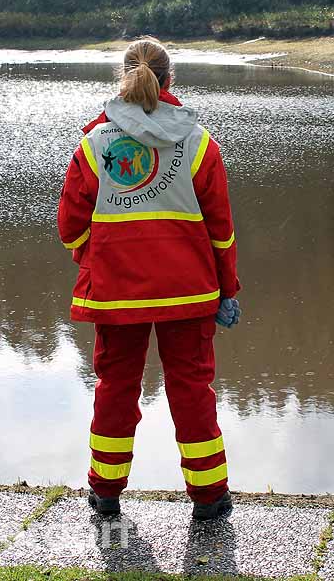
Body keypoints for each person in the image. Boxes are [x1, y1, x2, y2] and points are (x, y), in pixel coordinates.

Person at [57, 37, 242, 521]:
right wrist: (227, 290)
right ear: (170, 81)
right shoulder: (200, 144)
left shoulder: (94, 144)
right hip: (190, 292)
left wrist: (98, 260)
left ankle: (106, 493)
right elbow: (221, 232)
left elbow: (70, 228)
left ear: (123, 77)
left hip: (117, 296)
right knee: (191, 389)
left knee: (116, 388)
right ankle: (209, 497)